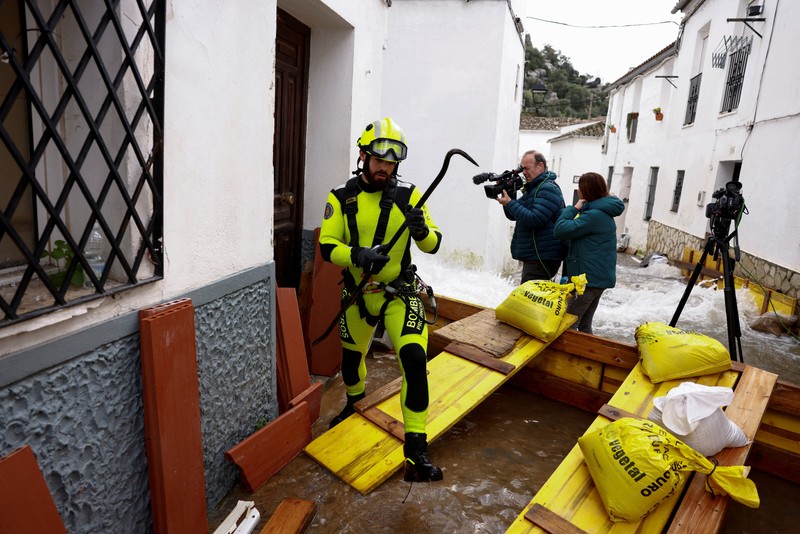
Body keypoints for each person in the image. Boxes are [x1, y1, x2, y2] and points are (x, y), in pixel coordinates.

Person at [318, 117, 443, 483]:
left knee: (415, 361)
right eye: (378, 160)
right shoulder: (339, 198)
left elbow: (434, 243)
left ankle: (416, 449)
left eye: (391, 163)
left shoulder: (412, 196)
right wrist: (357, 255)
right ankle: (354, 403)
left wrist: (421, 231)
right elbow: (327, 246)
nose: (384, 168)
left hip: (400, 294)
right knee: (351, 356)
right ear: (363, 156)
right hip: (357, 293)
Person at [553, 171, 625, 334]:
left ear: (585, 191)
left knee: (567, 325)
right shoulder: (600, 211)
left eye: (580, 187)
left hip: (588, 280)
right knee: (584, 326)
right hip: (595, 278)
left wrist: (574, 207)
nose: (578, 190)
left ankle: (567, 357)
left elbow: (560, 229)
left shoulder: (594, 215)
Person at [496, 150, 565, 283]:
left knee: (529, 300)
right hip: (535, 257)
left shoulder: (547, 189)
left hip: (542, 258)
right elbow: (513, 215)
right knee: (531, 299)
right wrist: (509, 195)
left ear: (540, 166)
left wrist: (510, 203)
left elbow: (535, 219)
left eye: (527, 168)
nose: (524, 173)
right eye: (522, 169)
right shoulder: (534, 189)